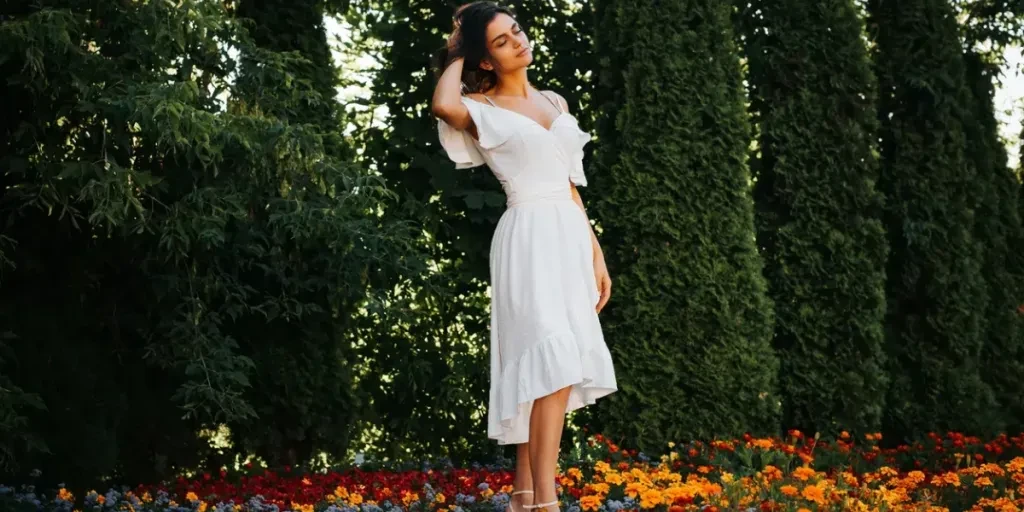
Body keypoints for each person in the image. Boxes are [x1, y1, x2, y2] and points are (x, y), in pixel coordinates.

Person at [430, 3, 618, 512]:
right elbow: (444, 104)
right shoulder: (481, 107)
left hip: (569, 235)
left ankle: (523, 494)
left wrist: (595, 254)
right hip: (528, 238)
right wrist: (457, 49)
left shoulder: (553, 101)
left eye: (517, 31)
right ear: (484, 59)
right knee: (550, 363)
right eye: (500, 41)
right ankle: (547, 504)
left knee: (549, 367)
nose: (518, 41)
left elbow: (571, 187)